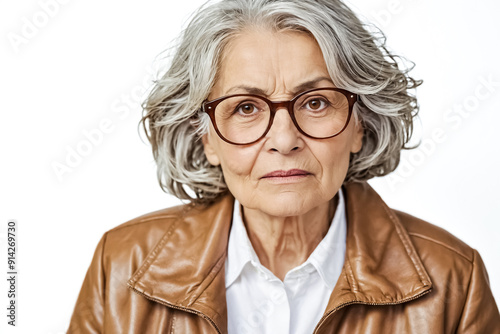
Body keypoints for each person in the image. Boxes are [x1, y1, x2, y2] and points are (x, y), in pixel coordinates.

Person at [67, 0, 500, 333]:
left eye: (315, 103)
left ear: (359, 127)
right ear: (206, 138)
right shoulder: (121, 265)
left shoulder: (453, 280)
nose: (284, 140)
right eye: (246, 108)